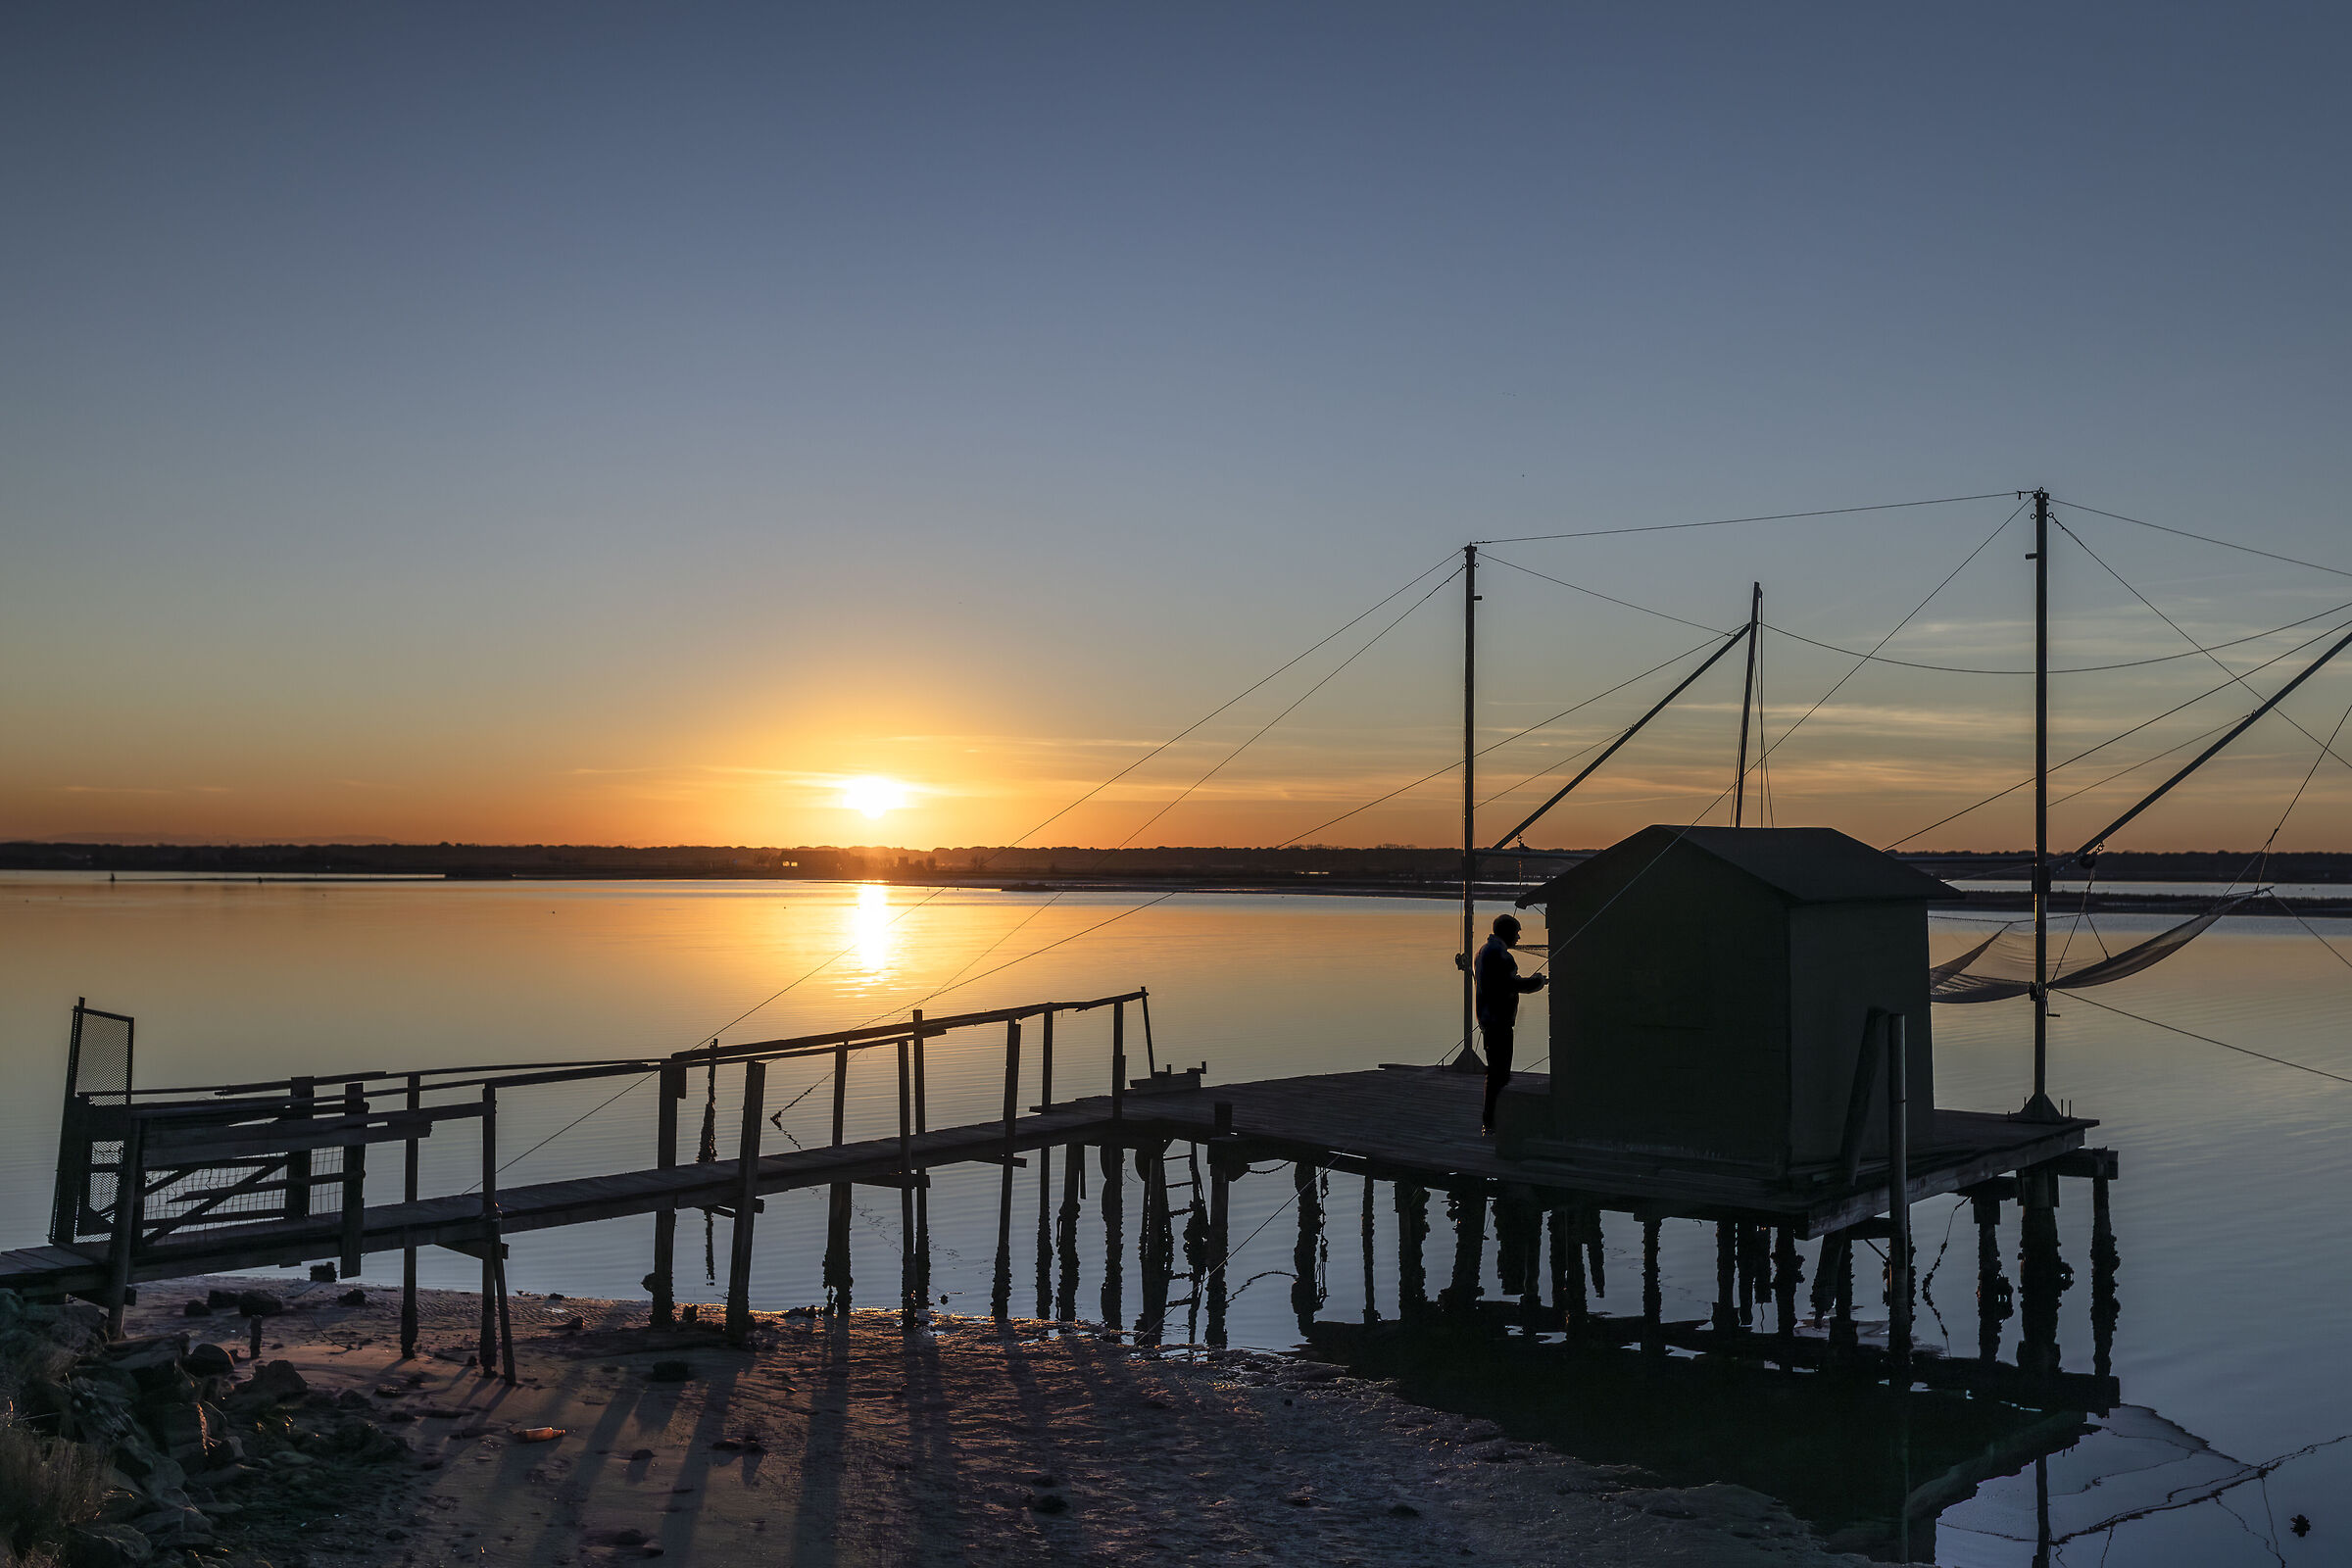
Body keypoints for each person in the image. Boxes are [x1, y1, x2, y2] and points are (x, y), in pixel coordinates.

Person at [1473, 912, 1545, 1134]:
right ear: (1507, 932)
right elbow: (1512, 984)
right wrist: (1538, 982)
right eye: (1517, 932)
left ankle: (1492, 1121)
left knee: (1497, 1072)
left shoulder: (1483, 951)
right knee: (1499, 1073)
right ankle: (1492, 1123)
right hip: (1498, 1021)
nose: (1519, 938)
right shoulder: (1500, 955)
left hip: (1488, 1019)